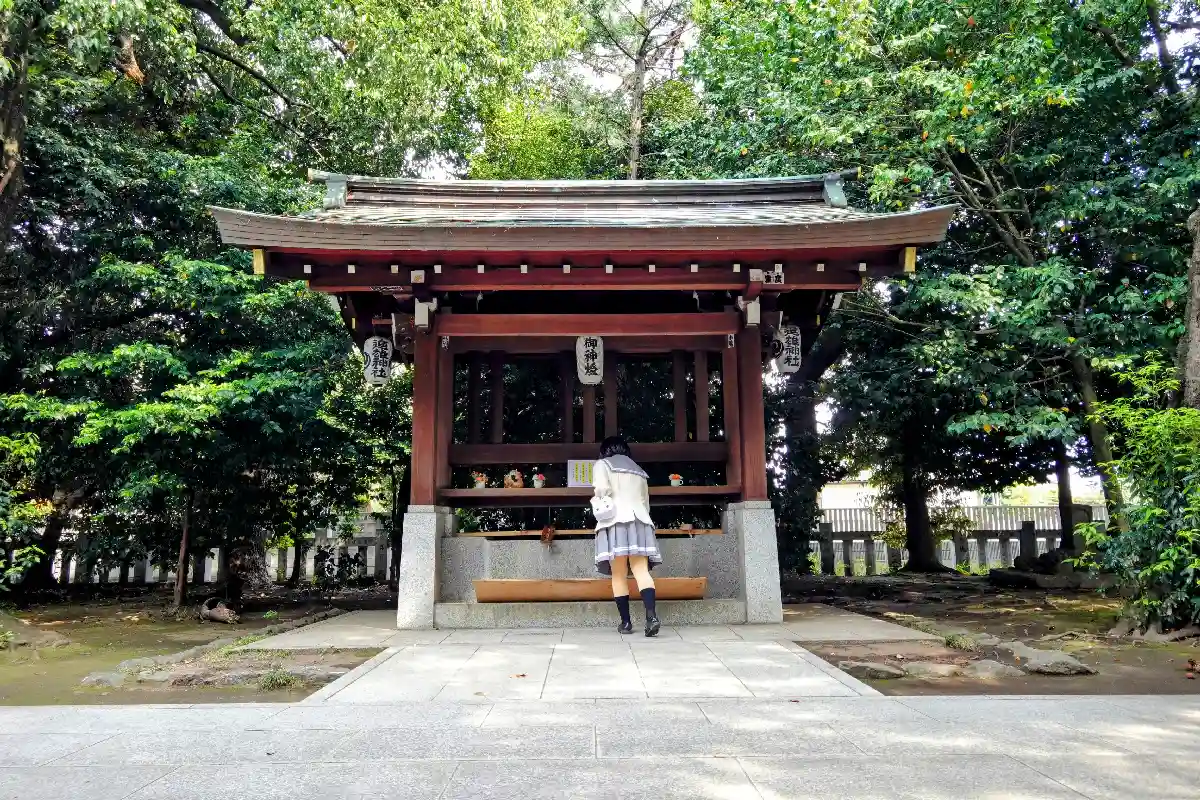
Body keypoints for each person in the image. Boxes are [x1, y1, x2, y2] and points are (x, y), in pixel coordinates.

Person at [592, 435, 662, 636]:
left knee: (619, 573)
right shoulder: (639, 470)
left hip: (615, 521)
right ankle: (651, 617)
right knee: (641, 570)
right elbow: (645, 502)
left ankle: (626, 623)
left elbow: (602, 490)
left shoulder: (602, 464)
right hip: (640, 520)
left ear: (605, 450)